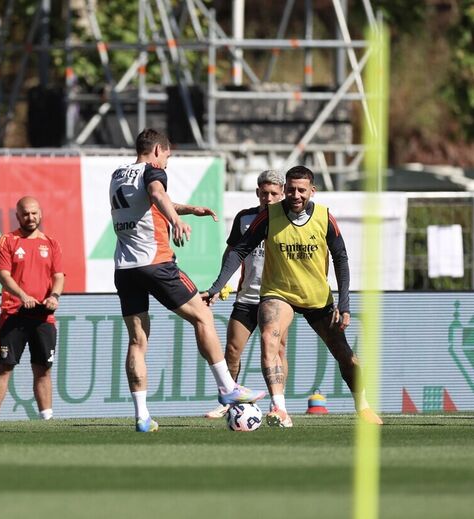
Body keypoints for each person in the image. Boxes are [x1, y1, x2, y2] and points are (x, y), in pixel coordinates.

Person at [109, 128, 265, 433]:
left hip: (125, 268)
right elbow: (157, 194)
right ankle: (227, 388)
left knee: (137, 341)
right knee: (203, 316)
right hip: (156, 262)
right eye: (167, 155)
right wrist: (176, 220)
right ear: (157, 150)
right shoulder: (153, 170)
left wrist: (189, 209)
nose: (167, 162)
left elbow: (151, 201)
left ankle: (142, 417)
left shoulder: (119, 174)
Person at [204, 165, 383, 427]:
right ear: (285, 189)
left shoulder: (324, 217)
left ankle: (363, 405)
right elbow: (239, 250)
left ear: (312, 191)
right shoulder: (269, 216)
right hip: (279, 293)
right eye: (291, 190)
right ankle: (279, 408)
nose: (296, 195)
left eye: (301, 190)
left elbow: (341, 258)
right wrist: (216, 286)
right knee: (269, 336)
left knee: (345, 355)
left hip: (316, 298)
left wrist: (344, 304)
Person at [205, 170, 286, 419]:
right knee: (232, 349)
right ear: (257, 192)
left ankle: (278, 405)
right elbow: (232, 253)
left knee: (277, 351)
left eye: (274, 193)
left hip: (277, 297)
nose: (268, 198)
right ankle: (228, 400)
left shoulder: (288, 220)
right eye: (264, 193)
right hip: (248, 296)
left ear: (282, 193)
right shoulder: (245, 218)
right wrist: (220, 285)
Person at [0, 196, 64, 422]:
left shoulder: (51, 243)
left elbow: (58, 276)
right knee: (4, 366)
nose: (30, 217)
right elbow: (4, 276)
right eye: (25, 214)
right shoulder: (7, 241)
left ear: (40, 214)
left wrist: (54, 296)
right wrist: (22, 296)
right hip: (13, 314)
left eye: (34, 213)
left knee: (43, 369)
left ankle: (46, 418)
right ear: (17, 216)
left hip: (43, 317)